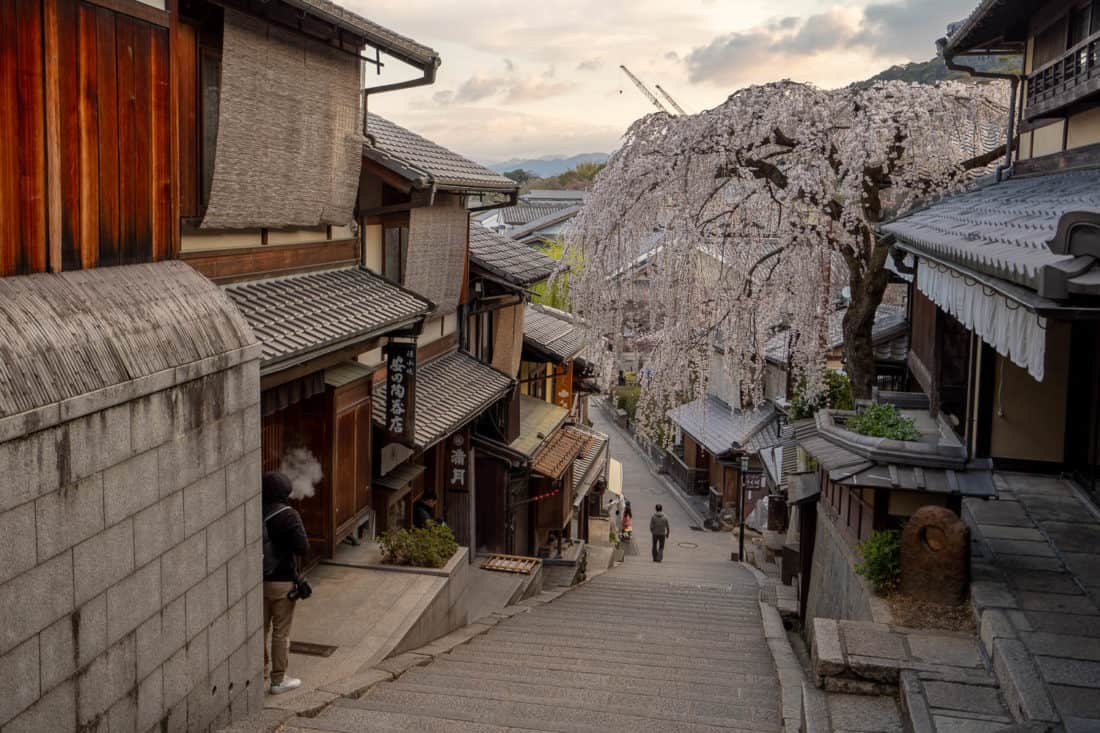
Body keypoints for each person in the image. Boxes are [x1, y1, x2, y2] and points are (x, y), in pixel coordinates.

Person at [262, 471, 309, 695]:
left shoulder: (253, 510)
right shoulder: (289, 515)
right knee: (280, 632)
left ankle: (257, 671)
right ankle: (278, 680)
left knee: (259, 630)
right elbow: (302, 548)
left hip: (256, 582)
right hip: (282, 581)